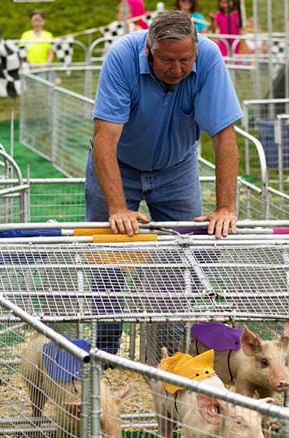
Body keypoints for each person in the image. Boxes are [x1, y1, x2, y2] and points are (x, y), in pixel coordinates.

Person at [87, 10, 242, 358]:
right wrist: (116, 208)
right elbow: (104, 140)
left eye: (185, 60)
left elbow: (224, 137)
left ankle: (166, 357)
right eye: (168, 60)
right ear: (148, 51)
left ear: (196, 51)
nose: (177, 69)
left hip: (177, 167)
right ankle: (106, 354)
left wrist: (225, 207)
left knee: (180, 258)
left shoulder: (211, 59)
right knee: (108, 257)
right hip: (119, 164)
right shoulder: (121, 57)